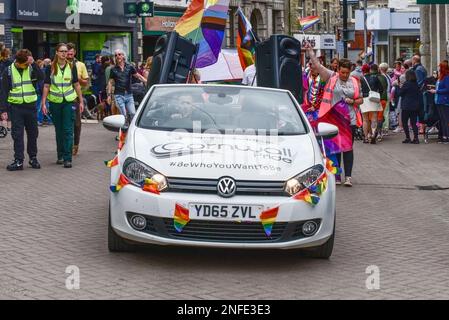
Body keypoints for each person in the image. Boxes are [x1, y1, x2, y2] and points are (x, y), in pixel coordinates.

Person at [305, 43, 363, 187]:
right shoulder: (331, 77)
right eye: (342, 72)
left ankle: (348, 177)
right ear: (338, 70)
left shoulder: (355, 81)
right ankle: (337, 175)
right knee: (335, 147)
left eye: (347, 73)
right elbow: (318, 66)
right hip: (333, 119)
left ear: (350, 71)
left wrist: (353, 101)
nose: (344, 75)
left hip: (350, 119)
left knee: (348, 147)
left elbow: (361, 99)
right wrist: (310, 52)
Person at [41, 43, 85, 168]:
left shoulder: (71, 66)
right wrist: (43, 103)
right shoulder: (50, 68)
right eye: (62, 51)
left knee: (68, 130)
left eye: (66, 51)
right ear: (56, 52)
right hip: (55, 102)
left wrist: (81, 101)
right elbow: (46, 86)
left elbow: (76, 84)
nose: (64, 53)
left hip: (69, 102)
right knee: (59, 130)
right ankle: (60, 155)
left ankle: (67, 158)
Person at [0, 49, 44, 171]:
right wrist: (3, 110)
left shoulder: (31, 67)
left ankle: (33, 158)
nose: (25, 66)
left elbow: (42, 77)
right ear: (18, 62)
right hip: (16, 108)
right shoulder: (8, 71)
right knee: (17, 135)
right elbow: (3, 91)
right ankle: (18, 160)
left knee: (33, 134)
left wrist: (33, 63)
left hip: (30, 107)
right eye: (24, 64)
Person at [106, 49, 147, 122]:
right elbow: (110, 82)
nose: (117, 56)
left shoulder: (129, 67)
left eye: (119, 54)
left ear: (123, 56)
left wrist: (147, 81)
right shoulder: (113, 69)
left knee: (133, 114)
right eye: (116, 55)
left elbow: (138, 76)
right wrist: (109, 95)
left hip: (129, 94)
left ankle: (130, 130)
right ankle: (124, 131)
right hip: (119, 95)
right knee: (124, 116)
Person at [67, 43, 89, 156]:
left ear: (74, 52)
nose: (70, 53)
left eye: (72, 51)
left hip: (75, 98)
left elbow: (86, 82)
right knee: (66, 124)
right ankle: (66, 146)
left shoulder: (80, 65)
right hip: (62, 99)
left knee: (76, 124)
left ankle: (75, 145)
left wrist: (77, 78)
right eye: (68, 51)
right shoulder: (60, 64)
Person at [360, 64, 384, 144]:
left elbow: (359, 90)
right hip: (374, 98)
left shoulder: (361, 79)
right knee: (374, 118)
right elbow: (381, 89)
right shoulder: (375, 78)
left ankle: (366, 137)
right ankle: (373, 134)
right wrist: (377, 95)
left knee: (365, 120)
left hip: (364, 99)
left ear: (363, 71)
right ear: (369, 70)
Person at [398, 69, 421, 144]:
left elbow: (400, 93)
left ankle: (408, 137)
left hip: (406, 106)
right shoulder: (416, 84)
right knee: (413, 123)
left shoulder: (406, 84)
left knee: (404, 122)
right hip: (415, 106)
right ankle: (416, 138)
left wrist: (399, 87)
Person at [429, 61, 449, 144]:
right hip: (439, 101)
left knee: (445, 120)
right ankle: (443, 136)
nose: (438, 69)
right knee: (441, 120)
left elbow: (447, 89)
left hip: (444, 101)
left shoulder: (447, 77)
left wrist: (436, 91)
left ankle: (446, 136)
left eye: (440, 67)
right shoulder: (441, 77)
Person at [0, 48, 13, 131]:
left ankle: (1, 126)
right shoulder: (11, 63)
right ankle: (9, 126)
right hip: (8, 86)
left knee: (1, 105)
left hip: (1, 85)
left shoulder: (1, 62)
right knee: (9, 106)